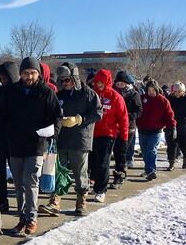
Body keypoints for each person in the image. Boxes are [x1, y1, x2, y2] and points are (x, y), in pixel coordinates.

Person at [0, 56, 62, 237]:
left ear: (38, 74)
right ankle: (22, 218)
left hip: (36, 145)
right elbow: (2, 116)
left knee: (31, 181)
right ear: (20, 74)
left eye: (33, 73)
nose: (29, 77)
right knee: (19, 185)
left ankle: (32, 218)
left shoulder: (46, 92)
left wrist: (52, 132)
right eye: (26, 73)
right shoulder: (12, 91)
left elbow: (57, 116)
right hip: (15, 145)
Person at [39, 62, 101, 217]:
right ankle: (55, 201)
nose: (65, 83)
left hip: (80, 140)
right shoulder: (59, 96)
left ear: (75, 78)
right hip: (62, 139)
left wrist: (80, 119)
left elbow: (98, 113)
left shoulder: (88, 94)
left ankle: (81, 201)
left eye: (67, 80)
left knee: (80, 173)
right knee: (59, 172)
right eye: (62, 80)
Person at [89, 70, 128, 203]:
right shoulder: (92, 94)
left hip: (108, 133)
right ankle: (95, 184)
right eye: (97, 82)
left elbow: (123, 118)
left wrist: (124, 137)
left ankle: (101, 190)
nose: (99, 84)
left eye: (102, 82)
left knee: (102, 162)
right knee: (92, 162)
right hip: (91, 133)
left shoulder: (115, 97)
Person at [0, 61, 20, 213]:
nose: (3, 80)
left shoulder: (20, 92)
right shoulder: (1, 92)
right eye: (1, 78)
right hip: (0, 139)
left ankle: (22, 201)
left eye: (5, 77)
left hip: (14, 140)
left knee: (17, 172)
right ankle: (3, 201)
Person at [135, 79, 176, 180]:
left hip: (156, 131)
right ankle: (148, 169)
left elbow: (169, 115)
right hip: (142, 130)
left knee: (151, 150)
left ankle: (151, 171)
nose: (151, 92)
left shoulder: (162, 100)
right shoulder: (142, 98)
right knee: (144, 151)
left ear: (157, 90)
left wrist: (172, 126)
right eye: (149, 90)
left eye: (153, 90)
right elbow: (137, 111)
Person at [113, 70, 142, 188]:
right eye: (118, 84)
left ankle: (120, 175)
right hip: (114, 127)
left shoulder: (134, 94)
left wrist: (130, 116)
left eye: (122, 84)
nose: (119, 86)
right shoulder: (114, 93)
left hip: (128, 127)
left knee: (121, 152)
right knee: (116, 151)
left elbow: (139, 110)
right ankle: (119, 170)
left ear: (127, 83)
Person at [167, 82, 186, 169]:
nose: (177, 93)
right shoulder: (170, 98)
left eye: (179, 91)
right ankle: (171, 163)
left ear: (183, 91)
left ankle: (185, 159)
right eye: (175, 91)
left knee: (185, 145)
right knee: (171, 145)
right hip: (172, 125)